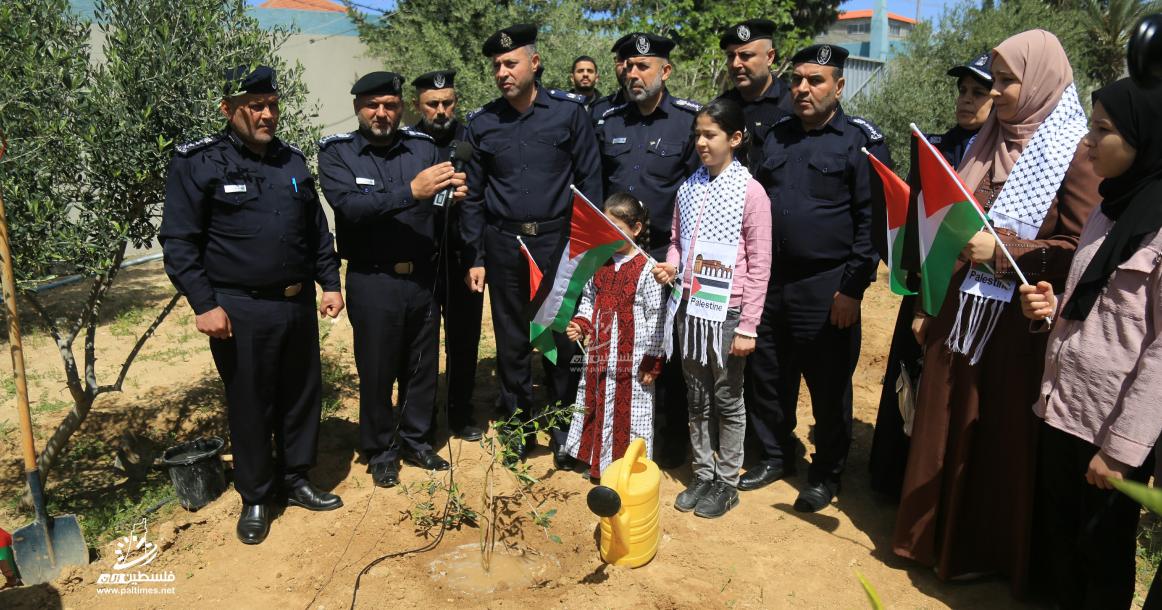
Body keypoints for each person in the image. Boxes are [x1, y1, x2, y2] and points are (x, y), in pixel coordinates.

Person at [893, 30, 1101, 596]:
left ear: (1040, 81)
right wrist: (928, 302)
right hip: (960, 314)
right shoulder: (987, 139)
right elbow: (950, 225)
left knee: (991, 432)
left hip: (1017, 327)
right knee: (942, 421)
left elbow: (1083, 249)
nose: (1000, 91)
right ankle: (933, 539)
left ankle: (981, 551)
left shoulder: (1076, 153)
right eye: (999, 79)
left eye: (1010, 80)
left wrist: (1008, 252)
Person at [160, 65, 345, 545]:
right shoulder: (199, 163)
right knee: (250, 403)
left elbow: (316, 230)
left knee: (301, 394)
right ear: (229, 109)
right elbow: (179, 241)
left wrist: (329, 282)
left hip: (295, 303)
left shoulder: (292, 161)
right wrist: (204, 303)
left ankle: (297, 478)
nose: (266, 114)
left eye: (271, 104)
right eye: (254, 106)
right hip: (240, 309)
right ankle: (258, 496)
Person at [1019, 77, 1162, 609]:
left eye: (1102, 130)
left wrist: (1121, 453)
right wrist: (1050, 309)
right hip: (1063, 408)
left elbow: (1159, 355)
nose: (1087, 142)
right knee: (1060, 547)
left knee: (1101, 555)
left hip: (1111, 430)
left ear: (1144, 138)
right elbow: (1097, 308)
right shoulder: (1107, 211)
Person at [744, 44, 891, 512]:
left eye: (816, 80)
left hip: (826, 286)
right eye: (798, 80)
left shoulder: (861, 142)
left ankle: (826, 473)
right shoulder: (777, 136)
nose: (803, 88)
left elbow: (871, 224)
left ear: (839, 86)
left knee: (828, 385)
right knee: (769, 375)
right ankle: (775, 454)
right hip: (772, 281)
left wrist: (851, 289)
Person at [460, 24, 603, 466]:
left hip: (558, 241)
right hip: (503, 244)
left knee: (560, 334)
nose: (503, 72)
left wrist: (590, 249)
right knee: (511, 339)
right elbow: (473, 196)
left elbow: (591, 182)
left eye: (511, 63)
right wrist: (475, 255)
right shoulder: (481, 123)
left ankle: (563, 427)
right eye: (497, 66)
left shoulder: (568, 114)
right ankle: (519, 424)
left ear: (534, 63)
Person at [317, 72, 467, 488]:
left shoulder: (423, 148)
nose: (381, 113)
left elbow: (435, 205)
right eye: (372, 105)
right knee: (378, 368)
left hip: (421, 276)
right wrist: (412, 192)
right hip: (373, 279)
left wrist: (451, 196)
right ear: (357, 108)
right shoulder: (338, 153)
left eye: (390, 105)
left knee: (421, 366)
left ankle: (418, 440)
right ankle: (381, 450)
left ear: (401, 107)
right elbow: (349, 209)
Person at [868, 52, 994, 499]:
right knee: (907, 373)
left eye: (978, 92)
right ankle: (891, 476)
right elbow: (914, 218)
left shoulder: (1002, 157)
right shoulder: (935, 148)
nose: (966, 100)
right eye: (962, 91)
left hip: (972, 293)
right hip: (926, 284)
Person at [653, 98, 772, 518]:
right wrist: (671, 264)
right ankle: (702, 472)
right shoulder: (688, 188)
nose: (701, 143)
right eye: (698, 134)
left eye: (711, 135)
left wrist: (748, 326)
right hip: (689, 308)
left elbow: (760, 264)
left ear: (735, 139)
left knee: (727, 396)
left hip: (728, 315)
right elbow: (675, 240)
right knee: (697, 395)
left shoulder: (751, 193)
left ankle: (726, 479)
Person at [596, 32, 700, 469]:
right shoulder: (608, 120)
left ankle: (671, 444)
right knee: (619, 347)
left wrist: (679, 261)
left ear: (665, 71)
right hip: (616, 254)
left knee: (666, 351)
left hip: (664, 257)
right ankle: (614, 437)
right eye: (629, 66)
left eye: (644, 66)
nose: (634, 74)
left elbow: (698, 195)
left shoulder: (689, 122)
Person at [563, 192, 666, 479]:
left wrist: (652, 360)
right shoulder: (599, 261)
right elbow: (588, 299)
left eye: (617, 229)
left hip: (632, 360)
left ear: (636, 228)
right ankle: (599, 462)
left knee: (630, 412)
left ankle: (627, 470)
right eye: (606, 227)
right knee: (598, 403)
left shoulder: (648, 268)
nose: (610, 234)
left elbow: (657, 318)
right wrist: (581, 324)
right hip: (600, 353)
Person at [411, 69, 486, 443]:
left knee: (464, 338)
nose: (441, 110)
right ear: (417, 106)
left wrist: (476, 256)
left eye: (448, 103)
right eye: (433, 104)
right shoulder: (405, 142)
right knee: (421, 341)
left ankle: (460, 411)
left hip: (462, 255)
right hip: (420, 257)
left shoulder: (469, 139)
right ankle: (418, 422)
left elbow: (479, 199)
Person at [714, 19, 794, 166]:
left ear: (769, 57)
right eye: (731, 56)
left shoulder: (793, 105)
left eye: (746, 56)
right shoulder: (720, 108)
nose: (736, 64)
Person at [591, 34, 633, 125]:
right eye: (620, 60)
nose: (625, 66)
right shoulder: (599, 109)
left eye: (631, 60)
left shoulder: (671, 115)